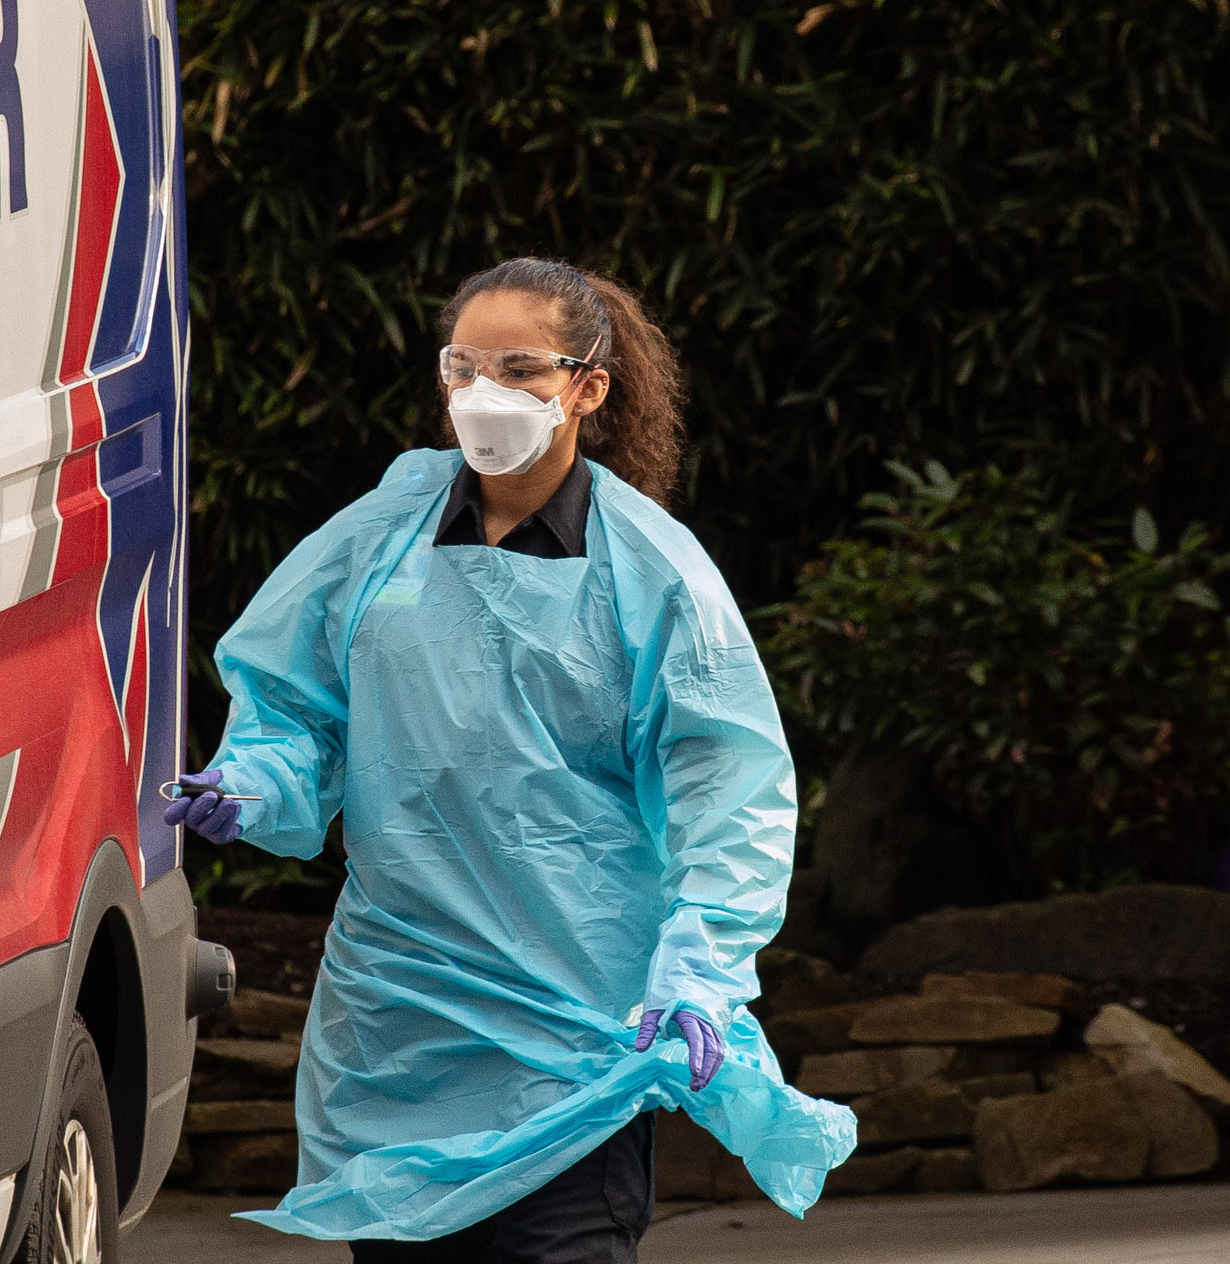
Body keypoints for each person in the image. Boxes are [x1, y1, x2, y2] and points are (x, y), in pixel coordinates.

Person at [168, 258, 855, 1260]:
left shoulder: (652, 571)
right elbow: (295, 709)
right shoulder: (379, 539)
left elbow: (728, 787)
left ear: (588, 387)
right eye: (464, 367)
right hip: (399, 1032)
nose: (486, 394)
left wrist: (702, 964)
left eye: (523, 369)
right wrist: (251, 781)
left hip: (579, 1033)